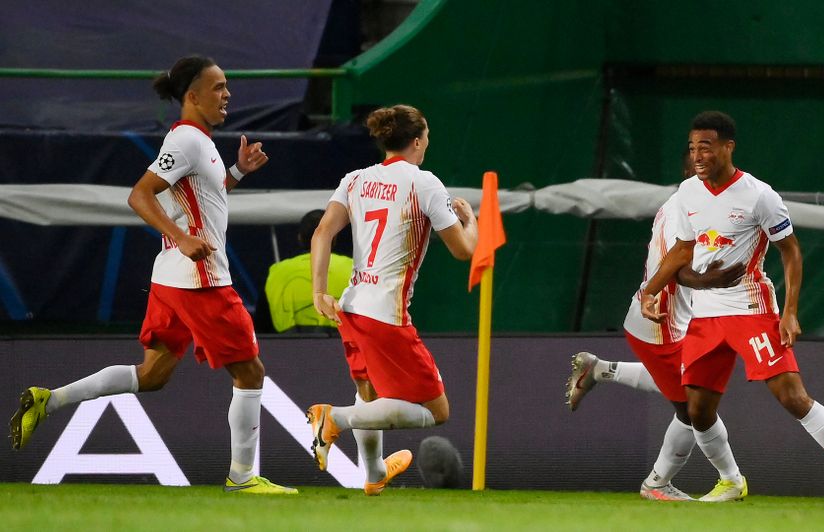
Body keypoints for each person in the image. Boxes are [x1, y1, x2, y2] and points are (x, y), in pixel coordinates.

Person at [7, 55, 296, 495]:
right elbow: (140, 196)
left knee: (153, 375)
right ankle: (242, 478)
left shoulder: (199, 141)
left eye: (227, 86)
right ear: (192, 96)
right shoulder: (186, 141)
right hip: (201, 279)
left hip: (172, 279)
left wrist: (237, 172)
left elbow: (202, 198)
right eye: (217, 87)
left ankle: (52, 398)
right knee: (251, 372)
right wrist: (181, 237)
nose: (227, 94)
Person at [640, 111, 824, 505]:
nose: (698, 155)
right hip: (704, 315)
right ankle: (731, 481)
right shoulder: (687, 193)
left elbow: (791, 252)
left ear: (727, 147)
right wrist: (650, 292)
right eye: (692, 147)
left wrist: (789, 311)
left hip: (751, 309)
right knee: (696, 411)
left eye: (706, 146)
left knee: (792, 396)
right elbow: (683, 250)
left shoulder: (759, 195)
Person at [306, 104, 478, 496]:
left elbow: (322, 232)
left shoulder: (355, 179)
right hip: (386, 312)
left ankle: (373, 473)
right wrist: (472, 221)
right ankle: (332, 419)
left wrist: (319, 291)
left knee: (370, 394)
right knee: (437, 412)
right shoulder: (425, 183)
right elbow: (464, 251)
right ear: (417, 141)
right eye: (427, 138)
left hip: (350, 307)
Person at [566, 192, 746, 502]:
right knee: (693, 410)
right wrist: (709, 280)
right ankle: (665, 483)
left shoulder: (682, 204)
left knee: (683, 386)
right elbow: (677, 268)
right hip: (659, 325)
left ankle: (601, 370)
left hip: (663, 319)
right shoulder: (683, 212)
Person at [264, 209, 353, 333]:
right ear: (333, 238)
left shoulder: (276, 272)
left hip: (288, 348)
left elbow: (262, 324)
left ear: (300, 238)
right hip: (343, 346)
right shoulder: (353, 268)